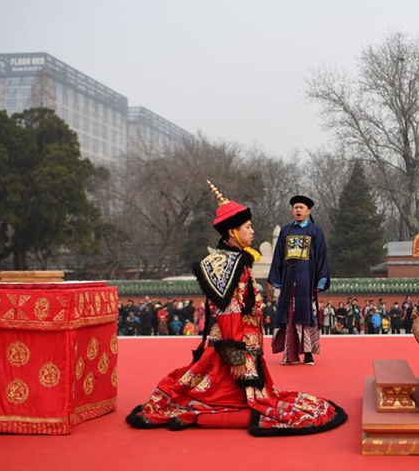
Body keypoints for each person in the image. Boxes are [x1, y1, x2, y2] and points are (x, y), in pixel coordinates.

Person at [126, 182, 347, 435]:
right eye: (248, 227)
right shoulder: (234, 264)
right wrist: (236, 355)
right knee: (246, 402)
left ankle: (194, 411)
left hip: (236, 341)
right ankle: (198, 415)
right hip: (236, 345)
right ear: (232, 231)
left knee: (218, 393)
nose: (252, 231)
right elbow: (229, 311)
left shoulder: (229, 259)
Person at [268, 195, 331, 365]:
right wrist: (277, 279)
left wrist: (321, 279)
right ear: (292, 210)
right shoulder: (285, 231)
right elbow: (278, 256)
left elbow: (321, 257)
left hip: (307, 281)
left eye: (301, 208)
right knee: (289, 315)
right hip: (289, 281)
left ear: (308, 211)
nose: (298, 210)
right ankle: (290, 353)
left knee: (307, 315)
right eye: (295, 207)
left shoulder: (315, 231)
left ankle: (308, 353)